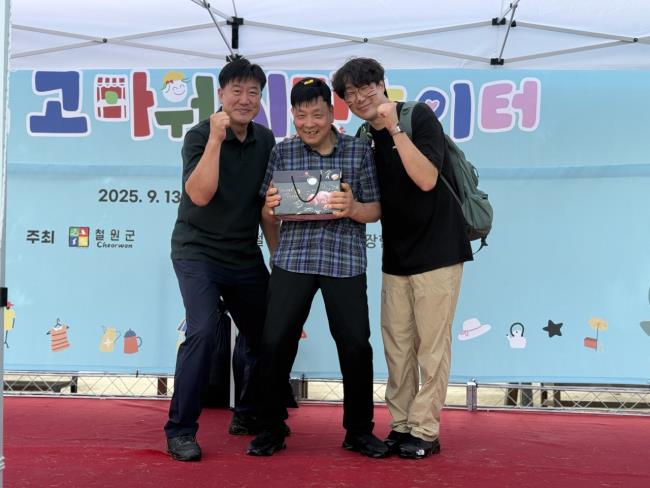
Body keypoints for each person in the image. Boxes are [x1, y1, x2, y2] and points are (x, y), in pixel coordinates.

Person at [332, 58, 473, 459]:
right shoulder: (362, 137)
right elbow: (371, 202)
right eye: (350, 94)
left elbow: (426, 179)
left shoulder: (417, 117)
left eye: (366, 87)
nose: (360, 98)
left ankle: (425, 429)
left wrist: (393, 128)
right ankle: (402, 424)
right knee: (397, 346)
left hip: (439, 250)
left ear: (382, 84)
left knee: (432, 347)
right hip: (396, 255)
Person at [246, 78, 388, 458]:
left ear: (332, 112)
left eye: (317, 114)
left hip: (344, 260)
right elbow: (267, 213)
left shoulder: (358, 151)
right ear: (293, 116)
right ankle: (271, 427)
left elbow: (376, 209)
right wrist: (271, 213)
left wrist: (353, 208)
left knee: (355, 345)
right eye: (301, 115)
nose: (309, 123)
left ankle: (359, 430)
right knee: (275, 342)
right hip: (293, 259)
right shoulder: (283, 152)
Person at [165, 58, 276, 462]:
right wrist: (216, 139)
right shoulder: (199, 135)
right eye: (237, 91)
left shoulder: (265, 140)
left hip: (243, 254)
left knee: (269, 334)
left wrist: (279, 259)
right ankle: (180, 430)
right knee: (202, 332)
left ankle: (247, 413)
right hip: (197, 252)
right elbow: (200, 194)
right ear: (221, 94)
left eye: (253, 93)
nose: (245, 100)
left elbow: (267, 207)